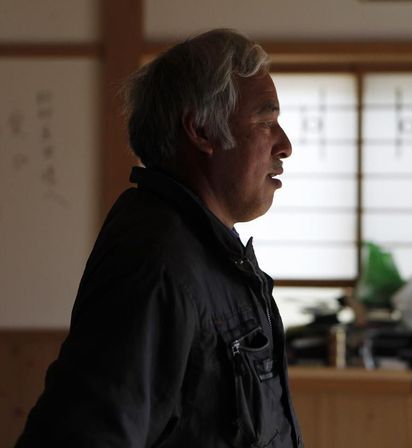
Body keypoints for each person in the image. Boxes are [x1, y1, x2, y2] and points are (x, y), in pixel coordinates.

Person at [16, 29, 302, 448]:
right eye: (265, 122)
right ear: (202, 131)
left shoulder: (204, 249)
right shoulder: (157, 260)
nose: (285, 146)